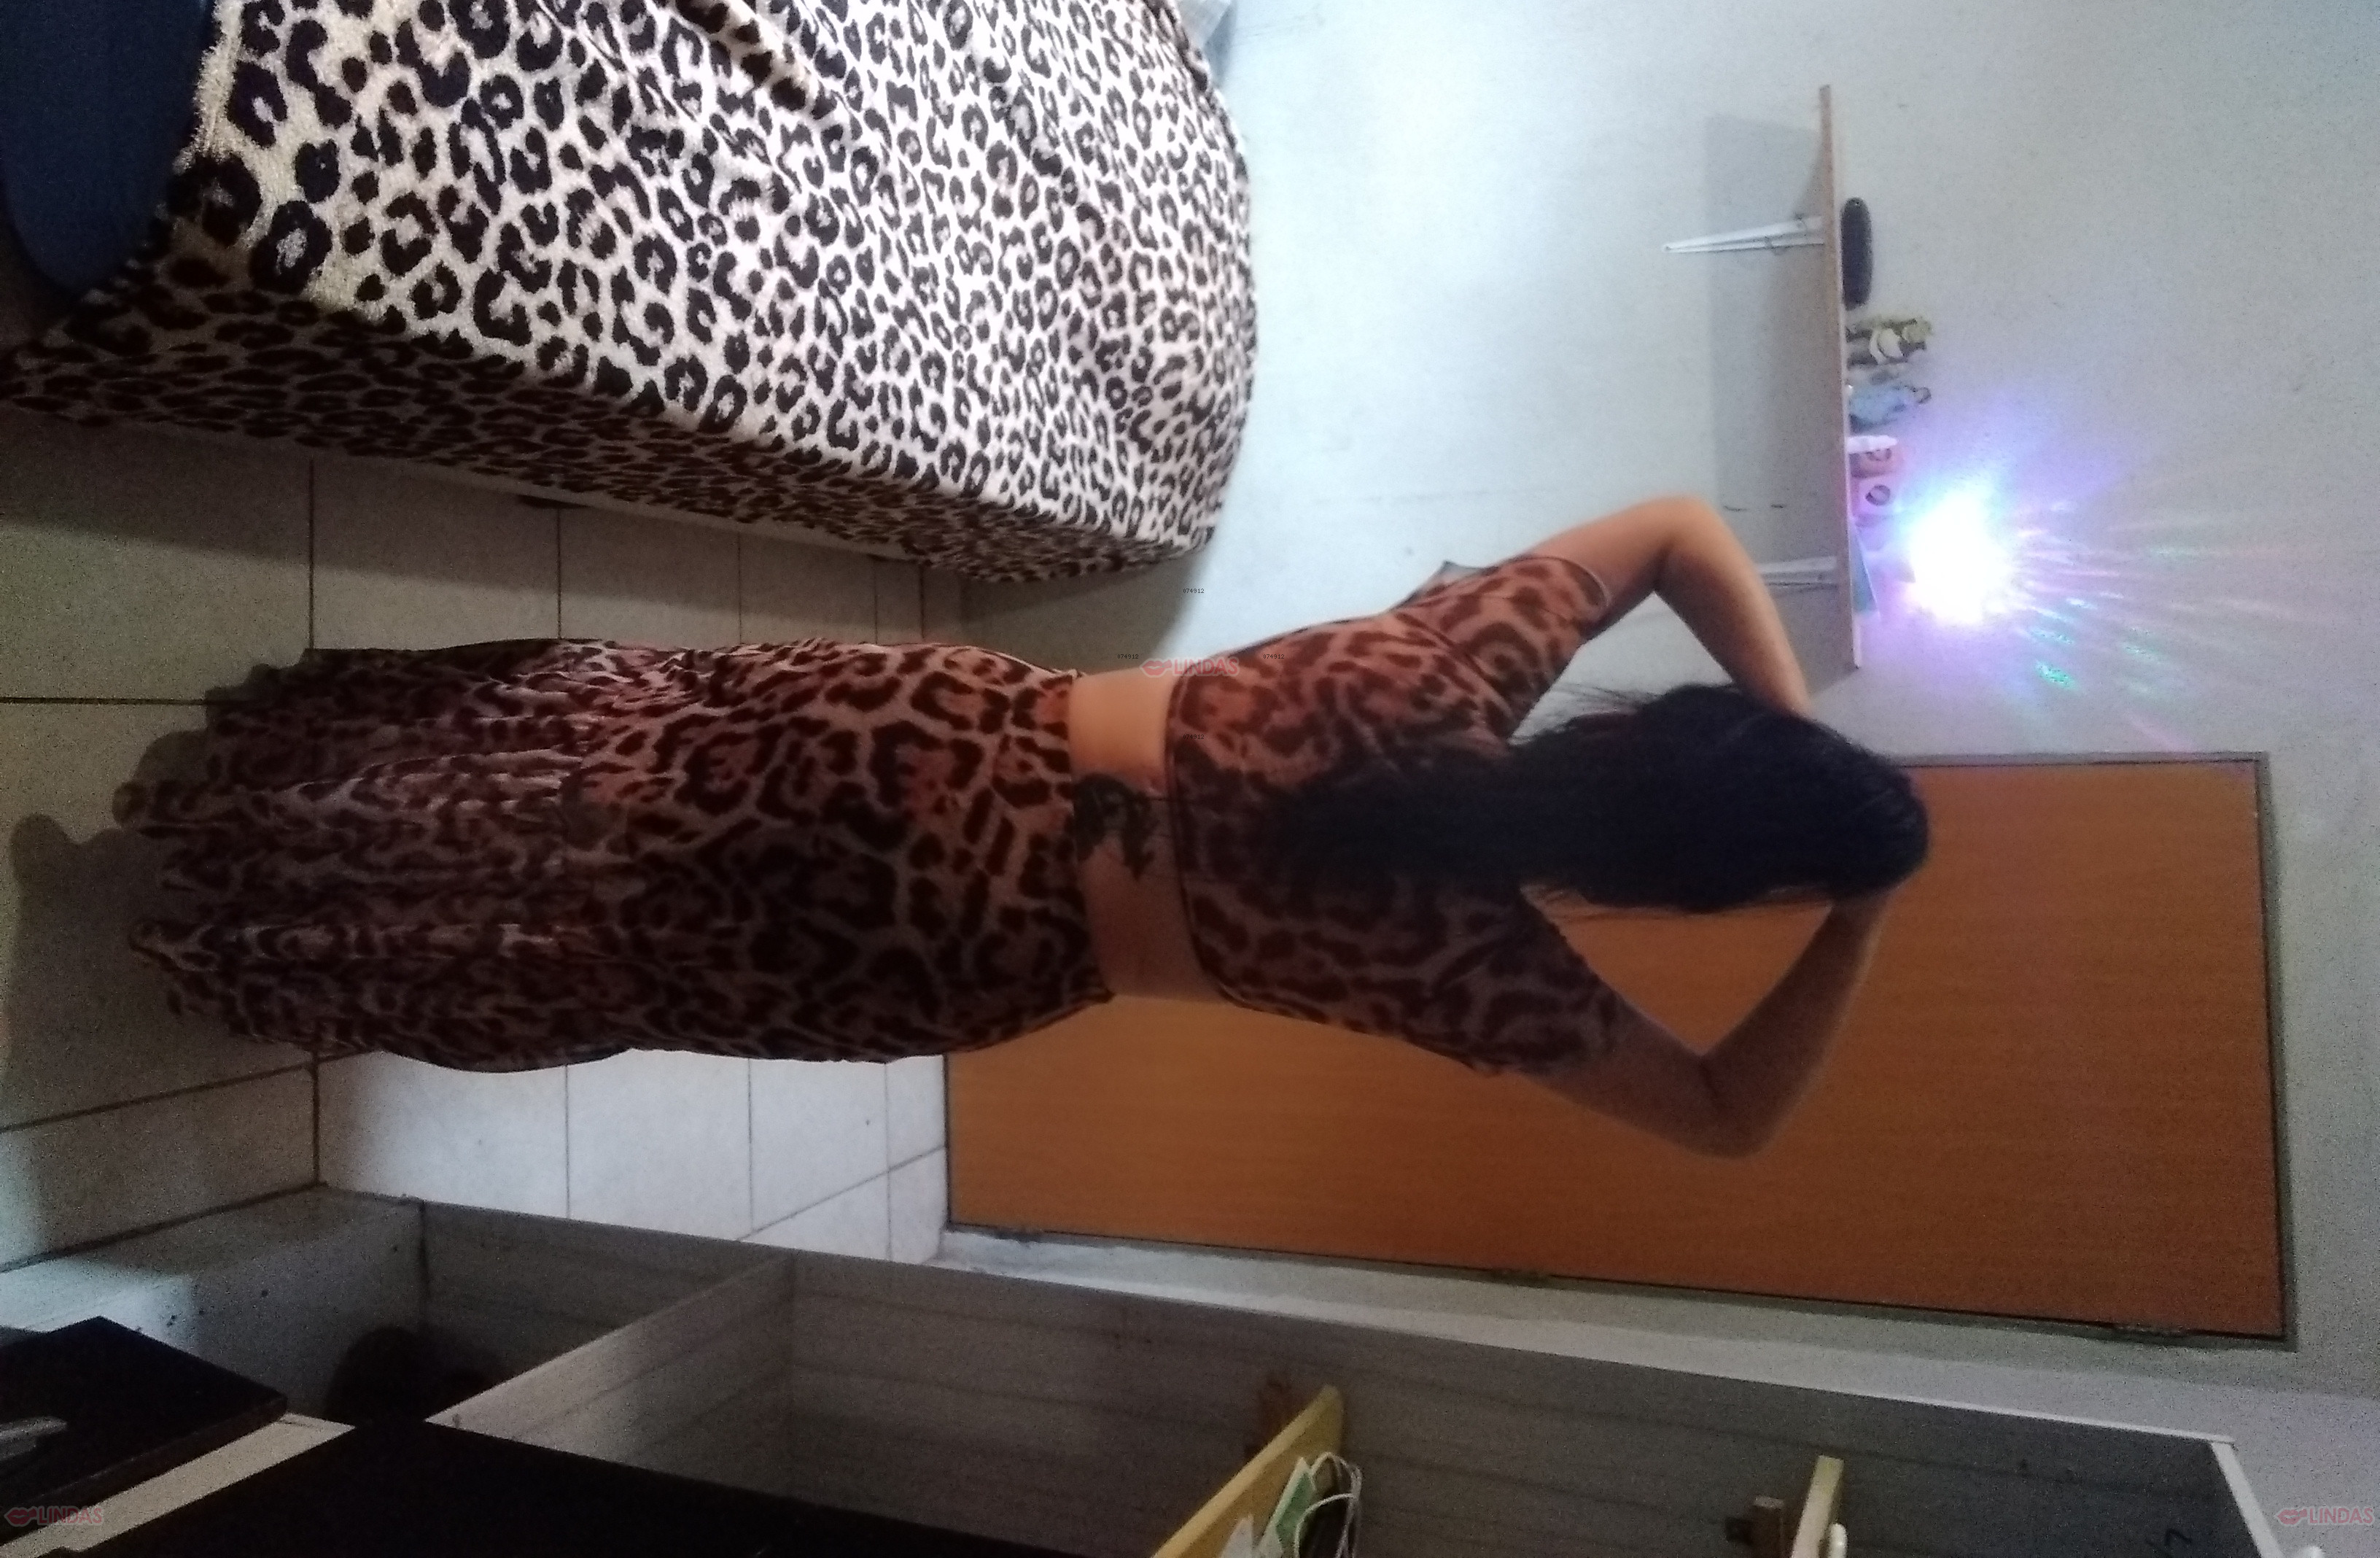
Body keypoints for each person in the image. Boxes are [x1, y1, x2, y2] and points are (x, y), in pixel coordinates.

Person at [114, 495, 1926, 1158]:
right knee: (615, 942)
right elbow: (1728, 1120)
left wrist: (1787, 732)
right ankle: (237, 935)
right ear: (1675, 879)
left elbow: (1682, 529)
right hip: (979, 942)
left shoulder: (1452, 660)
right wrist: (1853, 911)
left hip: (938, 739)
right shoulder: (1486, 973)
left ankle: (256, 792)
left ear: (1660, 732)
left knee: (610, 757)